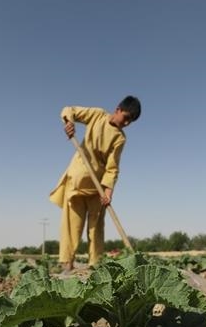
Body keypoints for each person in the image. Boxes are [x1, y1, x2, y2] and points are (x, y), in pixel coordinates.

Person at [49, 95, 141, 271]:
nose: (127, 123)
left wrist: (108, 191)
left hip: (97, 187)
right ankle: (67, 265)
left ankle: (95, 266)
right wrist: (69, 123)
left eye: (131, 122)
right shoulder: (97, 115)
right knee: (72, 225)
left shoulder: (120, 138)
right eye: (127, 118)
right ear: (118, 110)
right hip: (77, 179)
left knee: (96, 229)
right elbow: (70, 110)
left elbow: (112, 167)